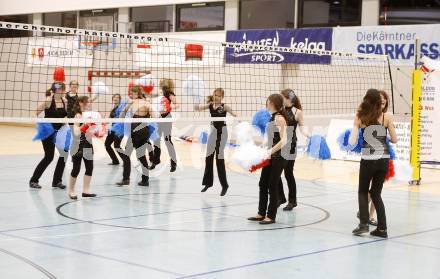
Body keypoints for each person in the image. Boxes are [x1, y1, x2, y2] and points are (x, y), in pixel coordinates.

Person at [350, 89, 397, 238]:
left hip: (368, 159)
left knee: (363, 192)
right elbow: (395, 140)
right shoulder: (387, 117)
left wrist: (356, 127)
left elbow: (352, 141)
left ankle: (363, 224)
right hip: (383, 160)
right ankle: (382, 229)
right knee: (376, 194)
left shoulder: (360, 117)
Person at [248, 94, 288, 224]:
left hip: (279, 156)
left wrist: (271, 151)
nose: (267, 102)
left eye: (268, 100)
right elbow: (271, 138)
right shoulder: (271, 117)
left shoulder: (280, 118)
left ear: (272, 102)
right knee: (263, 183)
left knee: (272, 185)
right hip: (270, 155)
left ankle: (271, 216)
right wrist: (261, 146)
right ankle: (261, 213)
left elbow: (284, 140)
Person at [356, 90, 392, 226]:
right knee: (375, 193)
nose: (383, 102)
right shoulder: (384, 117)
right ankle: (371, 219)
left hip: (374, 156)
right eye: (381, 99)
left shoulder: (368, 116)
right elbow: (394, 139)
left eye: (385, 100)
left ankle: (367, 218)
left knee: (369, 191)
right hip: (383, 157)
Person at [195, 88, 237, 196]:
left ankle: (224, 185)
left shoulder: (224, 107)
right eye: (215, 95)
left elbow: (234, 113)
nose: (216, 97)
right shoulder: (210, 105)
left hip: (222, 133)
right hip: (213, 133)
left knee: (219, 158)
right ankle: (208, 183)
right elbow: (197, 108)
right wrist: (195, 99)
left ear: (222, 97)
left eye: (219, 95)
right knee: (208, 157)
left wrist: (237, 117)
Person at [29, 82, 68, 189]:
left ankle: (57, 181)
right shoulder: (48, 100)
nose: (61, 90)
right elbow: (35, 113)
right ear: (54, 90)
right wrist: (40, 124)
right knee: (49, 157)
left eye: (62, 89)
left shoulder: (65, 101)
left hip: (59, 132)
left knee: (63, 155)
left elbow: (68, 115)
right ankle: (33, 180)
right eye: (59, 89)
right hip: (48, 132)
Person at [279, 89, 310, 211]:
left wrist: (308, 134)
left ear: (289, 99)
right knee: (274, 173)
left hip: (290, 146)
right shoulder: (279, 110)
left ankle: (292, 201)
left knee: (288, 173)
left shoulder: (297, 112)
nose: (281, 100)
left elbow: (302, 126)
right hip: (279, 145)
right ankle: (280, 198)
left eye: (283, 98)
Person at [116, 86, 153, 186]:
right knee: (141, 156)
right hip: (145, 132)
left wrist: (127, 107)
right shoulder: (147, 103)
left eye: (131, 93)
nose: (130, 95)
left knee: (127, 155)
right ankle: (145, 180)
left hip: (136, 132)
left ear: (136, 94)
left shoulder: (132, 102)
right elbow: (154, 117)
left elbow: (121, 116)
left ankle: (126, 179)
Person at [68, 96, 96, 199]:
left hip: (88, 144)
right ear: (80, 103)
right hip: (77, 145)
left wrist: (96, 130)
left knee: (89, 168)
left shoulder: (87, 115)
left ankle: (86, 191)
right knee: (76, 169)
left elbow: (89, 131)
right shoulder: (77, 115)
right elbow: (76, 132)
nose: (89, 103)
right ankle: (71, 191)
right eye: (87, 102)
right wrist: (86, 126)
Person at [149, 79, 179, 172]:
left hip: (166, 118)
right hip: (158, 118)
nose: (162, 85)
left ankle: (173, 162)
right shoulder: (159, 93)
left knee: (167, 140)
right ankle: (155, 161)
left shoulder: (170, 93)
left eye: (164, 83)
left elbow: (177, 105)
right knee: (156, 140)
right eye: (161, 83)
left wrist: (168, 107)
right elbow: (152, 98)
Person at [105, 94, 122, 165]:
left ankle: (126, 160)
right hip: (112, 128)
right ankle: (115, 161)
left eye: (117, 97)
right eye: (114, 97)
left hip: (119, 129)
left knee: (117, 146)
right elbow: (108, 118)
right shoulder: (112, 108)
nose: (115, 98)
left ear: (120, 100)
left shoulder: (121, 108)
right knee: (107, 144)